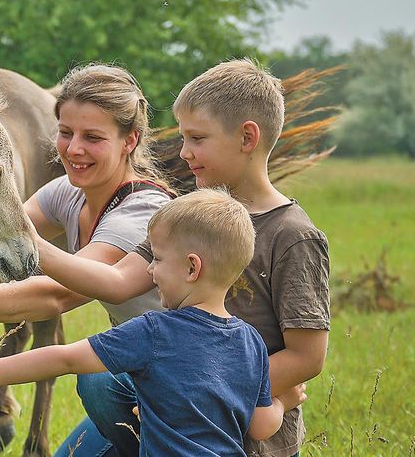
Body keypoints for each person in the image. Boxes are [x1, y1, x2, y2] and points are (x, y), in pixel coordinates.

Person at [30, 59, 329, 457]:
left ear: (247, 137)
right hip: (174, 403)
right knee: (99, 381)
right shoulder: (189, 215)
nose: (184, 152)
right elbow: (117, 281)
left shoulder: (293, 236)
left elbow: (307, 357)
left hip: (250, 432)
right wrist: (25, 243)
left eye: (197, 138)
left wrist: (197, 395)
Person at [0, 63, 173, 456]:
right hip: (136, 375)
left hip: (178, 384)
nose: (73, 149)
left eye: (92, 137)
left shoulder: (141, 212)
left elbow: (55, 296)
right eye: (65, 132)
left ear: (130, 141)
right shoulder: (68, 192)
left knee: (97, 381)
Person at [0, 189, 308, 456]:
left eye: (156, 259)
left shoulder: (155, 332)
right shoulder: (251, 342)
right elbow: (259, 427)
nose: (150, 271)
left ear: (192, 267)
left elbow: (65, 359)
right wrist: (283, 399)